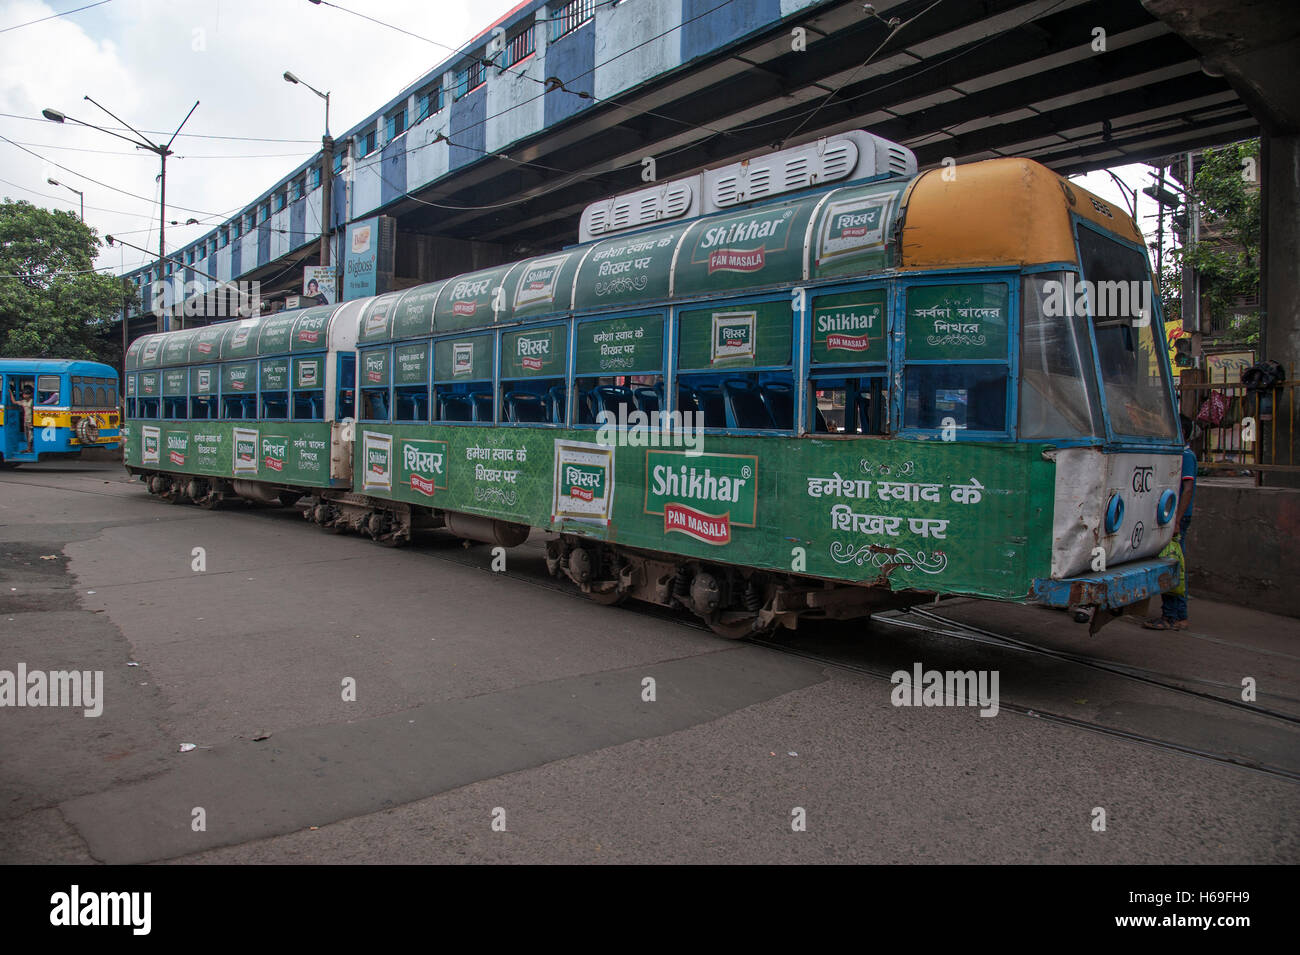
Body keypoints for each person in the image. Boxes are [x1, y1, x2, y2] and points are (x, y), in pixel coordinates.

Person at [1145, 414, 1197, 631]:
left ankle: (1174, 616)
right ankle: (1175, 614)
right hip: (1173, 516)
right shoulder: (1179, 454)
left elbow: (1187, 489)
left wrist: (1175, 520)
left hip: (1177, 518)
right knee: (1173, 562)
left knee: (1174, 563)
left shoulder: (1186, 456)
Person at [8, 382, 35, 452]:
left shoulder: (32, 402)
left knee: (30, 435)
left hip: (31, 421)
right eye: (24, 394)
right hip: (26, 420)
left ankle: (30, 448)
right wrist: (10, 393)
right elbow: (14, 402)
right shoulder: (23, 402)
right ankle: (28, 448)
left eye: (26, 394)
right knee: (27, 435)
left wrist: (33, 422)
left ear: (30, 395)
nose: (25, 395)